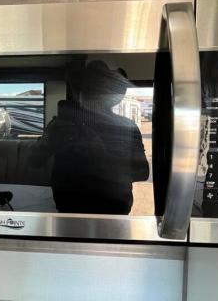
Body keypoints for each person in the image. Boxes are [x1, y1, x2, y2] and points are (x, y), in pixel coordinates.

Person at [32, 60, 149, 214]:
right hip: (72, 210)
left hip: (111, 211)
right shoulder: (62, 126)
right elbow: (34, 161)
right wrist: (49, 139)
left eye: (99, 90)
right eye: (89, 90)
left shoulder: (127, 128)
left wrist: (102, 155)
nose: (94, 97)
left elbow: (142, 172)